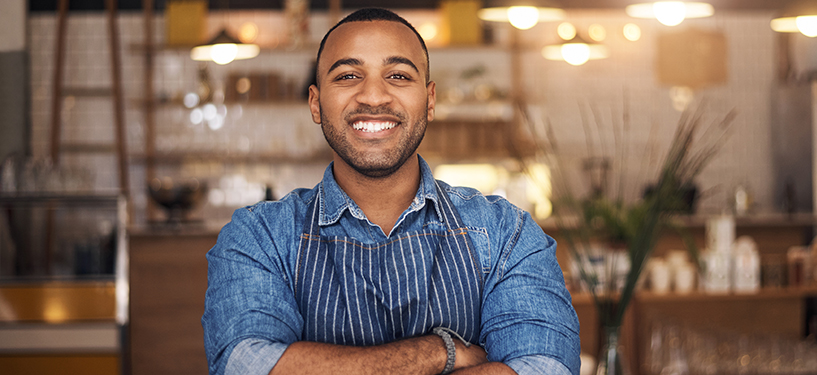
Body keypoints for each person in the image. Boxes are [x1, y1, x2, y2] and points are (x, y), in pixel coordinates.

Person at [202, 8, 580, 375]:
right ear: (316, 104)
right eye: (348, 76)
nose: (373, 96)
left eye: (398, 75)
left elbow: (545, 366)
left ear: (429, 100)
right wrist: (439, 352)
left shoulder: (506, 234)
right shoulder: (259, 237)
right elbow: (245, 363)